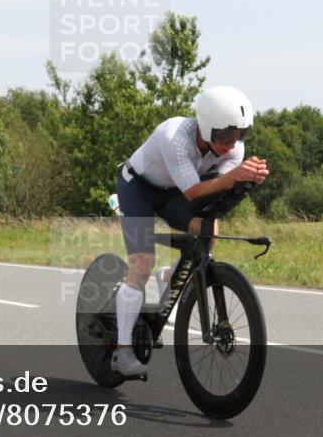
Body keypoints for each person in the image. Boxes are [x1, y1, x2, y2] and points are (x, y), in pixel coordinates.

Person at [111, 86, 270, 377]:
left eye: (240, 134)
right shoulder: (174, 136)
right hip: (138, 189)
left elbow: (215, 196)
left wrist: (246, 181)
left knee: (209, 230)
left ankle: (170, 278)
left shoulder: (234, 149)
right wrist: (234, 177)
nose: (232, 144)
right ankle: (122, 351)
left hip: (173, 191)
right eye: (225, 135)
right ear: (206, 127)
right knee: (142, 261)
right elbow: (195, 192)